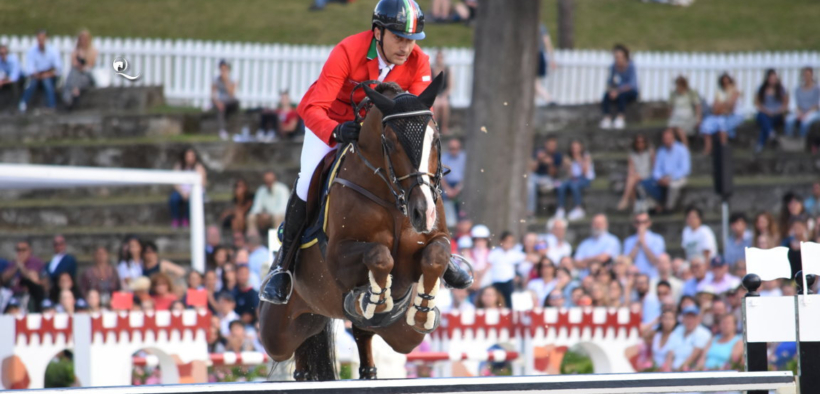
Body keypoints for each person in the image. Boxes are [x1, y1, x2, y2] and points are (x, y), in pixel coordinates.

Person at [263, 0, 470, 304]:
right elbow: (311, 107)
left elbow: (418, 116)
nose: (406, 47)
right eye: (399, 38)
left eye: (411, 40)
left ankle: (440, 248)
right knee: (308, 179)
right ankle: (284, 265)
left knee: (418, 175)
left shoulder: (418, 61)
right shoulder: (348, 51)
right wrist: (335, 131)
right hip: (333, 123)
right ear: (378, 32)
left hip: (380, 133)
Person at [641, 128, 691, 213]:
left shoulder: (682, 150)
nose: (667, 140)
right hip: (663, 178)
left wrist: (670, 178)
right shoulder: (661, 151)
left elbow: (685, 169)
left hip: (678, 177)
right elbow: (656, 169)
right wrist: (660, 178)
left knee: (673, 186)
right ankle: (654, 206)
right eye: (665, 139)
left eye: (668, 138)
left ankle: (669, 208)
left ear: (673, 138)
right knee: (643, 185)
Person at [699, 73, 743, 155]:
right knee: (707, 125)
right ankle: (708, 149)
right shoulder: (720, 93)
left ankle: (723, 151)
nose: (726, 84)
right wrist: (722, 106)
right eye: (724, 83)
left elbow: (730, 108)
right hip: (720, 115)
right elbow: (715, 109)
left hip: (731, 116)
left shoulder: (734, 92)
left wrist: (722, 106)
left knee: (722, 127)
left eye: (727, 82)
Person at [19, 29, 62, 113]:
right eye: (39, 39)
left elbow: (58, 68)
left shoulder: (53, 51)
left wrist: (48, 74)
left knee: (47, 81)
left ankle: (51, 105)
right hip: (37, 75)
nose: (41, 42)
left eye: (43, 39)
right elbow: (30, 68)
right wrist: (37, 75)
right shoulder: (32, 51)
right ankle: (23, 104)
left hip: (50, 75)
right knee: (32, 83)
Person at [599, 44, 639, 130]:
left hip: (630, 92)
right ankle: (607, 118)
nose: (617, 59)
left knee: (622, 96)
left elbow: (632, 84)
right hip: (617, 91)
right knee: (606, 95)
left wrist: (618, 91)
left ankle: (621, 117)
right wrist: (611, 90)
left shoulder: (631, 66)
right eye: (616, 57)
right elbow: (610, 82)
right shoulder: (613, 67)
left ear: (625, 57)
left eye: (619, 57)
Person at [554, 140, 595, 221]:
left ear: (581, 148)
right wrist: (568, 166)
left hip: (585, 178)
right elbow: (571, 175)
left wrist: (579, 160)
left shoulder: (586, 156)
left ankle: (578, 208)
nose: (575, 150)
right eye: (573, 148)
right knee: (561, 185)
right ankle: (561, 208)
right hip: (574, 179)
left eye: (577, 148)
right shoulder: (569, 157)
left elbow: (585, 172)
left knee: (574, 185)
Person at [169, 148, 208, 228]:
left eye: (192, 156)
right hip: (181, 191)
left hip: (194, 191)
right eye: (188, 156)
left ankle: (186, 219)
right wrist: (182, 192)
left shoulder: (199, 167)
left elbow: (203, 183)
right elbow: (175, 182)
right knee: (173, 199)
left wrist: (190, 193)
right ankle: (175, 219)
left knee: (193, 199)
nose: (190, 158)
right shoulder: (179, 166)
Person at [487, 231, 526, 309]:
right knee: (497, 301)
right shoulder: (494, 253)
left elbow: (527, 258)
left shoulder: (514, 253)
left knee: (509, 301)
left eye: (511, 242)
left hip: (509, 282)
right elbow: (488, 266)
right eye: (506, 241)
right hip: (496, 281)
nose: (509, 244)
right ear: (501, 241)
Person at [754, 69, 789, 153]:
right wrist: (767, 111)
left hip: (777, 114)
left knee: (765, 125)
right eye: (771, 78)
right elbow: (757, 103)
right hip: (765, 113)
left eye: (774, 78)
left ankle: (761, 143)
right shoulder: (762, 89)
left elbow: (785, 103)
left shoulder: (781, 89)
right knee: (762, 116)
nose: (772, 80)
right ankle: (771, 134)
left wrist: (777, 111)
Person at [61, 29, 98, 109]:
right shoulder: (76, 51)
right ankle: (74, 93)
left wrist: (82, 58)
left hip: (88, 76)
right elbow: (74, 64)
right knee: (73, 73)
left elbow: (90, 65)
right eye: (81, 39)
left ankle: (68, 97)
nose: (83, 41)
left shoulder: (93, 51)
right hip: (77, 74)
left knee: (77, 77)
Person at [622, 212, 666, 278]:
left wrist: (643, 243)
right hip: (635, 279)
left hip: (653, 277)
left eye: (644, 222)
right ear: (634, 224)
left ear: (649, 223)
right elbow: (627, 262)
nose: (641, 225)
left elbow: (655, 261)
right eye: (638, 222)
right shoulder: (628, 241)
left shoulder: (658, 239)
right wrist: (637, 244)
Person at [617, 134, 654, 211]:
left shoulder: (650, 151)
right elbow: (631, 169)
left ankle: (625, 199)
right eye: (638, 142)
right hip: (636, 176)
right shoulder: (632, 154)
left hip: (648, 175)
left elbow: (654, 166)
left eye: (642, 142)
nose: (640, 144)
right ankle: (634, 206)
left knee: (632, 179)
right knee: (632, 180)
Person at [669, 306, 712, 371]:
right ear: (683, 318)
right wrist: (667, 368)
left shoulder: (703, 333)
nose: (690, 320)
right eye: (687, 317)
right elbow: (670, 352)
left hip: (688, 370)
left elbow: (694, 356)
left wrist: (678, 371)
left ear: (698, 319)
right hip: (672, 369)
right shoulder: (678, 329)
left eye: (692, 317)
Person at [246, 171, 290, 236]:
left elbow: (283, 208)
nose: (268, 182)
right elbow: (256, 207)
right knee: (251, 217)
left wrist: (269, 215)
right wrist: (260, 215)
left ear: (275, 180)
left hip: (278, 216)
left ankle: (277, 239)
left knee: (277, 217)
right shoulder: (261, 190)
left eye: (270, 180)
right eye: (266, 181)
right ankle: (253, 241)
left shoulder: (282, 189)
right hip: (265, 216)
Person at [530, 137, 563, 215]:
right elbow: (531, 169)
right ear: (546, 145)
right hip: (536, 177)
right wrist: (539, 159)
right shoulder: (538, 153)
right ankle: (530, 212)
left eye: (553, 145)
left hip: (548, 178)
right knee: (530, 185)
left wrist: (550, 163)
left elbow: (553, 174)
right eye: (550, 145)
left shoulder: (557, 156)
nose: (551, 147)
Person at [785, 67, 820, 139]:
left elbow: (817, 105)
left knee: (805, 123)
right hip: (800, 111)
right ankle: (789, 139)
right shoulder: (798, 89)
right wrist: (799, 112)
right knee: (789, 120)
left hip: (813, 112)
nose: (806, 77)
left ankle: (802, 140)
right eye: (805, 75)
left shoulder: (817, 89)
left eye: (808, 75)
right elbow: (794, 104)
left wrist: (807, 113)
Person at [667, 75, 702, 146]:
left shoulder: (691, 93)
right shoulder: (673, 94)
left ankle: (685, 148)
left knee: (679, 130)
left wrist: (698, 119)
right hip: (676, 117)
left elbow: (697, 106)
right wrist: (670, 116)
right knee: (670, 131)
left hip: (688, 118)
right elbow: (671, 107)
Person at [213, 60, 239, 140]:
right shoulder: (216, 79)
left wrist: (226, 81)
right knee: (220, 107)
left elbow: (232, 94)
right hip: (220, 102)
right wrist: (217, 102)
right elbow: (213, 94)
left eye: (225, 70)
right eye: (222, 70)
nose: (223, 72)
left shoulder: (232, 79)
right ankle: (222, 130)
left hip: (230, 101)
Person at [441, 138, 466, 221]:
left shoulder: (464, 158)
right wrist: (448, 189)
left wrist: (457, 189)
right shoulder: (444, 158)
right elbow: (441, 176)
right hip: (447, 186)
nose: (453, 151)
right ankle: (449, 222)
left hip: (461, 186)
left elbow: (466, 175)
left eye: (455, 148)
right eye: (451, 148)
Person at [431, 50, 452, 133]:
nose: (439, 59)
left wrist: (444, 96)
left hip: (443, 95)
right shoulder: (431, 69)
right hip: (433, 94)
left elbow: (449, 86)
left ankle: (444, 127)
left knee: (445, 105)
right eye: (437, 57)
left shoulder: (447, 70)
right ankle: (434, 126)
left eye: (440, 57)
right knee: (435, 105)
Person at [535, 23, 556, 106]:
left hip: (534, 56)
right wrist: (552, 59)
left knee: (534, 84)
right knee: (536, 83)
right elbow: (547, 42)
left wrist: (552, 59)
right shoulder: (542, 27)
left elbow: (547, 42)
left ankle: (549, 99)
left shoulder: (539, 27)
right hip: (540, 56)